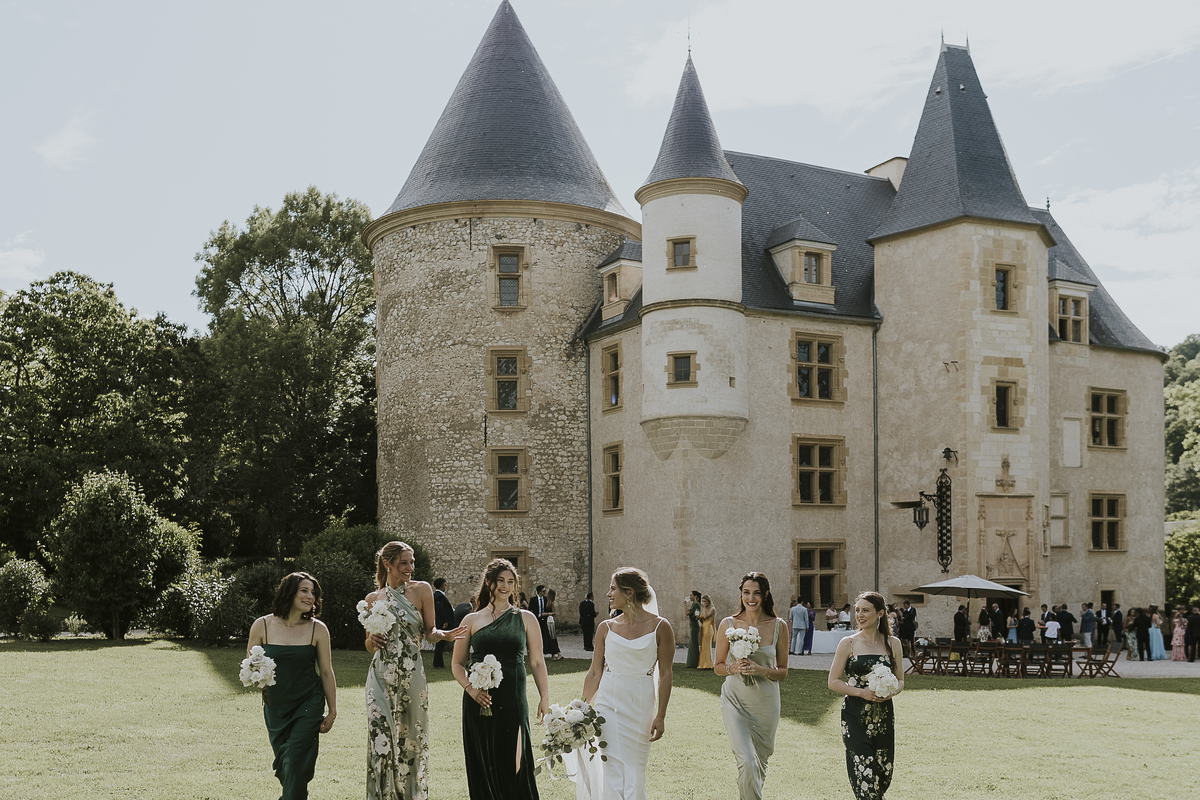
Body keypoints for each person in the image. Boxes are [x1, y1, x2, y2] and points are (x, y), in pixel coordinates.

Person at [365, 542, 467, 800]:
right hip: (380, 675)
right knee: (380, 737)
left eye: (412, 562)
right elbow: (369, 644)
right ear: (387, 564)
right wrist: (370, 641)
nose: (410, 567)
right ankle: (381, 795)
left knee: (411, 737)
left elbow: (430, 633)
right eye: (404, 563)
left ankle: (410, 795)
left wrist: (446, 635)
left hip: (412, 675)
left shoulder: (422, 590)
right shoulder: (372, 600)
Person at [571, 567, 674, 799]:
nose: (608, 594)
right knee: (612, 769)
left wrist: (661, 715)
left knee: (634, 769)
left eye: (612, 588)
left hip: (640, 705)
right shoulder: (605, 628)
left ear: (629, 593)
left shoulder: (661, 627)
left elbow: (666, 674)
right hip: (608, 703)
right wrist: (582, 709)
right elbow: (595, 673)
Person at [452, 558, 550, 800]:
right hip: (479, 701)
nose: (506, 586)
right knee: (484, 763)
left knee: (516, 764)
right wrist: (470, 689)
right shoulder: (471, 620)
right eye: (500, 581)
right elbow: (456, 663)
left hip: (514, 700)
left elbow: (537, 661)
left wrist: (544, 697)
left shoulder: (526, 618)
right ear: (489, 582)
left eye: (511, 582)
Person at [246, 572, 337, 800]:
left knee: (295, 759)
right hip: (276, 706)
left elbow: (326, 671)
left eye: (313, 593)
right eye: (304, 591)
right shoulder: (262, 626)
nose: (310, 597)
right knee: (289, 766)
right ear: (289, 592)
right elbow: (250, 666)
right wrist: (257, 678)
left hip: (309, 703)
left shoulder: (318, 629)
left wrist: (333, 710)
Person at [715, 572, 788, 800]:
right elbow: (717, 666)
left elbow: (783, 671)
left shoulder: (779, 626)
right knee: (747, 761)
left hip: (766, 703)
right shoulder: (728, 625)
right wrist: (733, 669)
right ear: (741, 594)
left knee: (759, 763)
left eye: (756, 593)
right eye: (746, 592)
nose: (751, 598)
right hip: (735, 700)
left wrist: (761, 670)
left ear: (765, 595)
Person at [828, 591, 904, 800]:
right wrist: (861, 692)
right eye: (857, 610)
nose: (860, 615)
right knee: (864, 774)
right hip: (854, 716)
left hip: (883, 716)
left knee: (882, 773)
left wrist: (891, 692)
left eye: (865, 611)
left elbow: (900, 681)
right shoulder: (848, 643)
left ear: (880, 613)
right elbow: (833, 681)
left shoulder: (893, 643)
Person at [433, 577, 455, 668]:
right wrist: (444, 621)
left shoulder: (437, 595)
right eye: (445, 584)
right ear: (442, 585)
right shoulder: (439, 596)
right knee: (440, 644)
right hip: (443, 624)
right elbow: (439, 609)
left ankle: (439, 663)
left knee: (440, 644)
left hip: (442, 623)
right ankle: (438, 663)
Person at [544, 588, 565, 661]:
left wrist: (547, 614)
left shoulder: (551, 603)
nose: (545, 592)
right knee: (549, 638)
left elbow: (554, 612)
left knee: (552, 637)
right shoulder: (546, 601)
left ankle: (559, 653)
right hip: (546, 621)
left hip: (550, 622)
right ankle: (553, 655)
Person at [698, 595, 717, 669]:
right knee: (703, 645)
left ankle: (708, 664)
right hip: (703, 627)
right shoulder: (704, 609)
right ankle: (702, 663)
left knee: (707, 645)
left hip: (708, 628)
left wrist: (704, 608)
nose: (703, 603)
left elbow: (705, 616)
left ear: (708, 602)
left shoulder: (712, 609)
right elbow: (702, 619)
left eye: (705, 601)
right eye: (702, 601)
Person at [685, 590, 702, 668]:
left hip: (694, 625)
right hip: (693, 624)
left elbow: (688, 613)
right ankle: (692, 662)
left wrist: (684, 605)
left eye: (691, 595)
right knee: (692, 642)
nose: (690, 597)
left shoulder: (696, 604)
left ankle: (693, 662)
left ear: (695, 596)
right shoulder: (695, 604)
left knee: (694, 643)